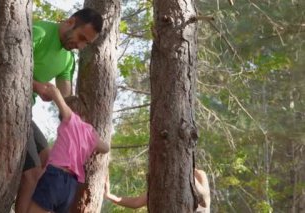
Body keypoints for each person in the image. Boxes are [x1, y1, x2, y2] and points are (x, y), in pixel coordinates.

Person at [15, 8, 104, 213]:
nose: (80, 46)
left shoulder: (68, 60)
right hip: (11, 108)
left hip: (26, 113)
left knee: (47, 160)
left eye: (86, 43)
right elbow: (10, 67)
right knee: (33, 173)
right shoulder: (39, 32)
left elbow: (66, 102)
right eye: (81, 37)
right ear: (71, 22)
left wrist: (80, 131)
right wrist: (38, 86)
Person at [27, 84, 110, 213]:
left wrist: (46, 90)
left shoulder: (70, 118)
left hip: (55, 176)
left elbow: (56, 93)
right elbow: (106, 148)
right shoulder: (90, 134)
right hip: (71, 186)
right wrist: (95, 137)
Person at [104, 169, 211, 212]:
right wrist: (109, 195)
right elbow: (136, 203)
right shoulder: (164, 181)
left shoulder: (199, 174)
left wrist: (187, 173)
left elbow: (205, 202)